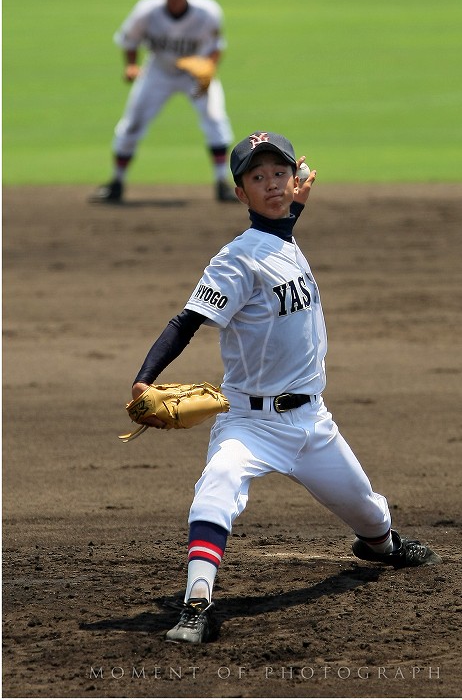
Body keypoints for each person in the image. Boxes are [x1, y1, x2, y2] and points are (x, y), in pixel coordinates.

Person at [129, 131, 441, 644]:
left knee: (368, 512)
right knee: (216, 489)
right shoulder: (236, 258)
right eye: (258, 177)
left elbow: (274, 234)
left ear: (293, 179)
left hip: (311, 423)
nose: (271, 185)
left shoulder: (282, 237)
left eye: (279, 174)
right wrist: (146, 377)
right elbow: (187, 320)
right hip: (250, 423)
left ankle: (381, 547)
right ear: (240, 193)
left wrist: (293, 209)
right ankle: (196, 602)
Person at [90, 0, 236, 204]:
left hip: (194, 75)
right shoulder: (146, 10)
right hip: (157, 72)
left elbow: (217, 48)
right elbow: (129, 41)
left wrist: (209, 69)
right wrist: (131, 65)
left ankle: (222, 184)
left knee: (215, 120)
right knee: (132, 124)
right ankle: (116, 183)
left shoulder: (208, 12)